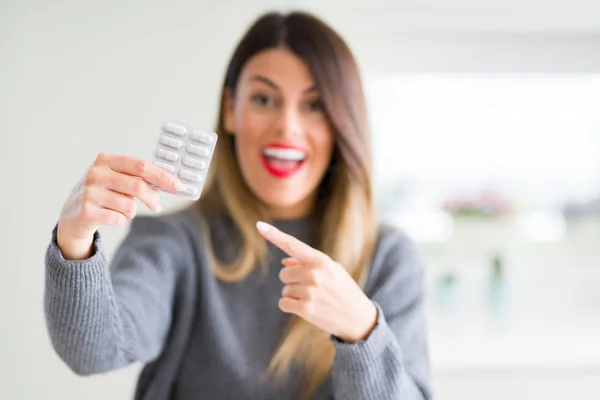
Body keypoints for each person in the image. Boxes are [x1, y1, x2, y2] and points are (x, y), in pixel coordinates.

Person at [44, 10, 432, 400]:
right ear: (231, 109)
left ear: (341, 123)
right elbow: (92, 352)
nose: (287, 127)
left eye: (314, 105)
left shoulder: (388, 257)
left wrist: (362, 330)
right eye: (264, 99)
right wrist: (74, 240)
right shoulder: (175, 241)